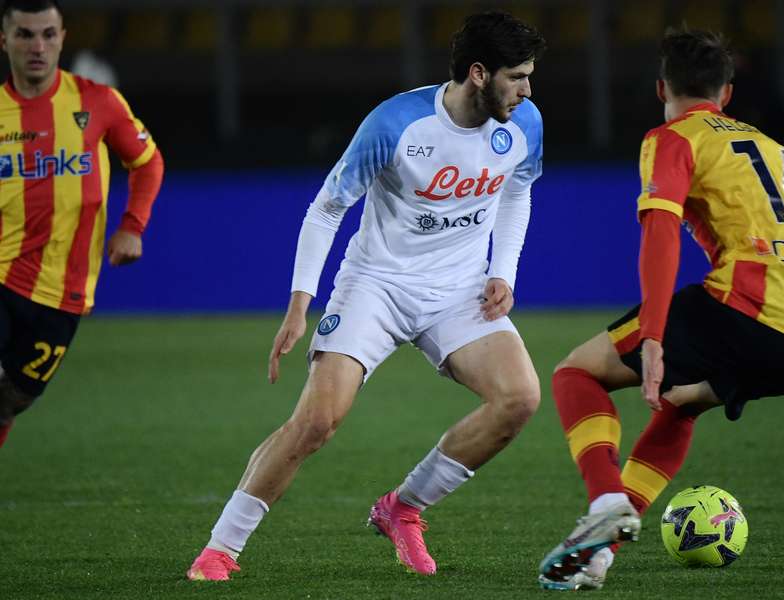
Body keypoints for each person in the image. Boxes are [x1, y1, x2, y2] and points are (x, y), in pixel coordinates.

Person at [186, 11, 546, 581]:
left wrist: (504, 270)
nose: (527, 90)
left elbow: (518, 191)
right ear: (479, 73)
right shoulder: (395, 123)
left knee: (520, 397)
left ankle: (403, 509)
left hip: (458, 291)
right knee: (317, 422)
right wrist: (301, 301)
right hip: (375, 286)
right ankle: (219, 550)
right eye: (518, 77)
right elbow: (329, 207)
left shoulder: (524, 123)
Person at [537, 27, 784, 591]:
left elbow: (662, 230)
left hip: (743, 308)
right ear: (726, 92)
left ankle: (605, 501)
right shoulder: (778, 152)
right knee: (680, 404)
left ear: (661, 88)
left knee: (577, 372)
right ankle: (601, 554)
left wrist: (652, 336)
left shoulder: (673, 138)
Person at [0, 0, 164, 449]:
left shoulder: (97, 102)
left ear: (62, 39)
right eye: (25, 35)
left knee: (12, 400)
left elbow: (147, 162)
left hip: (65, 291)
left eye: (47, 35)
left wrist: (133, 225)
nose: (37, 46)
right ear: (5, 40)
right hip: (2, 274)